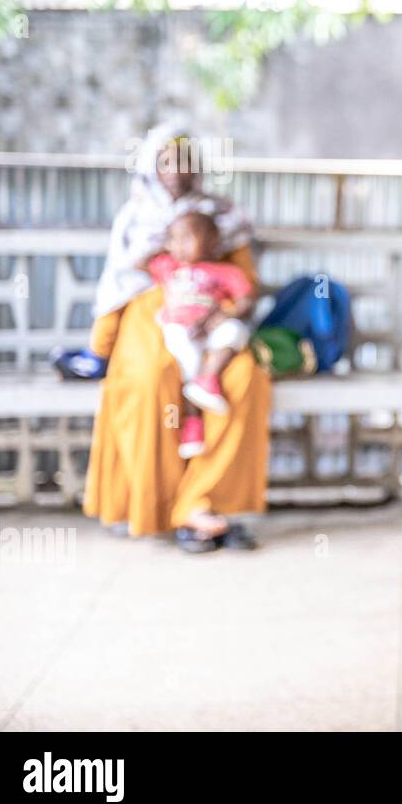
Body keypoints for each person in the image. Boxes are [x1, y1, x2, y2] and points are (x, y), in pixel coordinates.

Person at [82, 123, 270, 553]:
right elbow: (116, 287)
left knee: (244, 380)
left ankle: (205, 505)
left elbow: (245, 283)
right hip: (148, 317)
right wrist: (99, 347)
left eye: (186, 161)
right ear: (150, 165)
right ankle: (153, 507)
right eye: (166, 161)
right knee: (152, 378)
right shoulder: (135, 219)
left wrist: (223, 313)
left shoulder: (221, 216)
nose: (177, 171)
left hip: (213, 321)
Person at [140, 211, 256, 458]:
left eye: (187, 238)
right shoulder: (168, 266)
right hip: (181, 329)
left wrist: (226, 314)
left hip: (212, 327)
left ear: (213, 241)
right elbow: (139, 262)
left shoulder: (226, 271)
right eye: (174, 238)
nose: (179, 244)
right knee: (188, 362)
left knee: (236, 331)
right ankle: (192, 422)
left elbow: (247, 301)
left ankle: (208, 377)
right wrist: (166, 245)